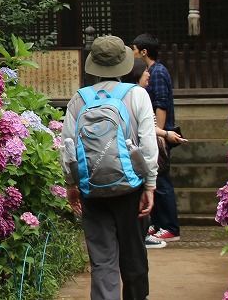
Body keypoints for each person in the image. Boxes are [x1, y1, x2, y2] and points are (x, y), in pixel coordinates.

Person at [61, 35, 159, 300]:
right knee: (134, 256)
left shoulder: (78, 100)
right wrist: (150, 184)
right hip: (131, 189)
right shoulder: (137, 95)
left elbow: (67, 148)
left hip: (92, 190)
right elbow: (149, 146)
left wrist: (71, 185)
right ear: (123, 64)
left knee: (102, 261)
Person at [124, 58, 186, 248]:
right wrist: (165, 133)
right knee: (156, 185)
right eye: (145, 72)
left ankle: (164, 226)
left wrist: (164, 133)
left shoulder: (130, 93)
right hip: (141, 149)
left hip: (137, 149)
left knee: (158, 185)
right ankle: (158, 226)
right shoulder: (137, 94)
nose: (148, 74)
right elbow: (148, 126)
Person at [133, 33, 182, 243]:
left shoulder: (158, 72)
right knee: (155, 180)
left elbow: (161, 104)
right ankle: (159, 223)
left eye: (134, 49)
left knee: (161, 181)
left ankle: (170, 227)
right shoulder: (149, 71)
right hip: (154, 132)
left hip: (159, 133)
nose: (132, 52)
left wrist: (159, 134)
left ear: (144, 51)